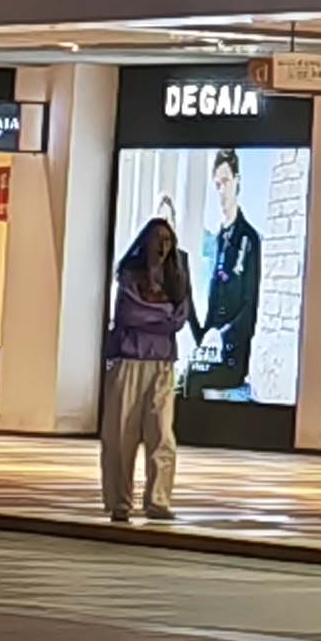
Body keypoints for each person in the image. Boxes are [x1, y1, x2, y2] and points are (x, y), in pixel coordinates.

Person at [100, 218, 194, 524]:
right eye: (157, 238)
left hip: (162, 363)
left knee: (162, 434)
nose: (162, 246)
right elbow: (130, 314)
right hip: (129, 359)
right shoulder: (130, 274)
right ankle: (120, 502)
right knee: (121, 435)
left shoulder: (177, 277)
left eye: (168, 239)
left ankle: (158, 501)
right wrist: (162, 314)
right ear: (146, 241)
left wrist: (156, 314)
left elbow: (179, 319)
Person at [187, 149, 265, 399]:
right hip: (212, 351)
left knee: (193, 380)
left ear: (237, 181)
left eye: (226, 182)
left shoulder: (249, 239)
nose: (221, 191)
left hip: (232, 356)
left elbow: (250, 309)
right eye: (217, 184)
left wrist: (222, 337)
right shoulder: (218, 239)